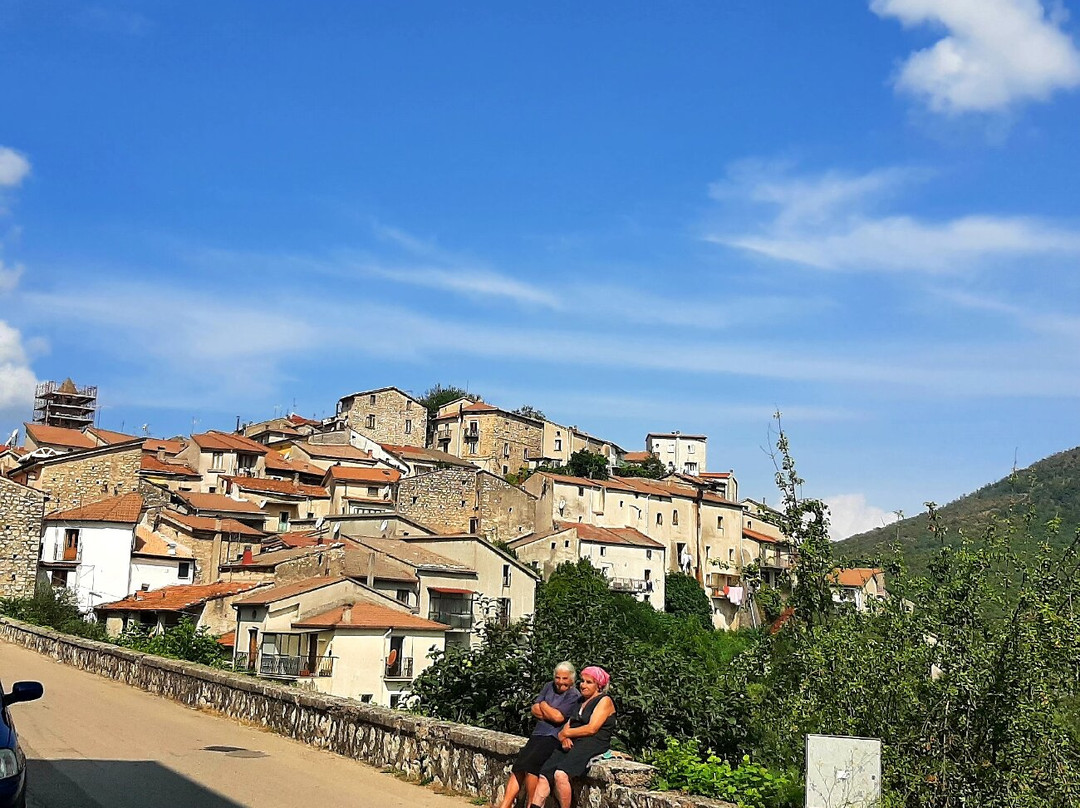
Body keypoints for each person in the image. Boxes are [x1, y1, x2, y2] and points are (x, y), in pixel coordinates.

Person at [496, 662, 581, 808]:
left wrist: (544, 706)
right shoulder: (549, 686)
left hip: (553, 737)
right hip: (538, 733)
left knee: (532, 768)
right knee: (518, 767)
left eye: (565, 678)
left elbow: (558, 718)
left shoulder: (574, 696)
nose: (560, 682)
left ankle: (531, 805)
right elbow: (534, 709)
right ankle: (505, 805)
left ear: (572, 679)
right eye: (558, 677)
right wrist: (545, 710)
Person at [530, 666, 616, 808]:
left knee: (561, 774)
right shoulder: (580, 701)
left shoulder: (604, 701)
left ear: (599, 685)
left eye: (589, 682)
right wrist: (564, 737)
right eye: (582, 681)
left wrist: (566, 734)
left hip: (593, 742)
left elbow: (592, 728)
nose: (583, 685)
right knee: (545, 774)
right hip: (575, 740)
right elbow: (568, 724)